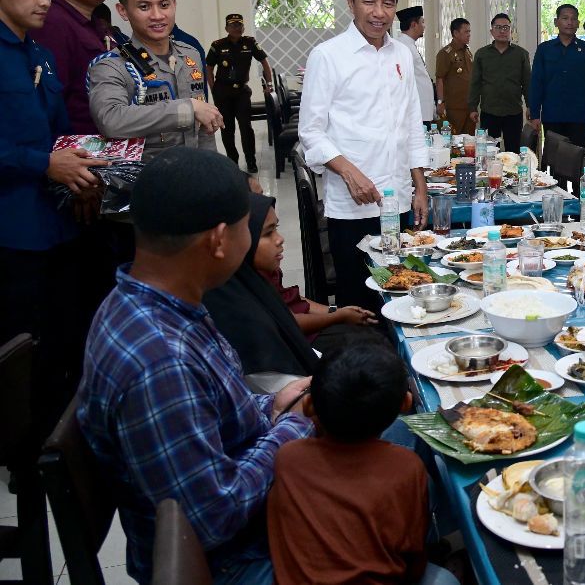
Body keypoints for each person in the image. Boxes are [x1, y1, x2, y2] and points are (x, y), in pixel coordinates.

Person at [77, 148, 312, 584]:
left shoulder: (158, 300)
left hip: (238, 511)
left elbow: (221, 411)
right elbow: (212, 516)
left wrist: (274, 405)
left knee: (397, 435)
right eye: (248, 227)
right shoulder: (159, 361)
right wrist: (292, 425)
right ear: (219, 240)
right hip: (229, 562)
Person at [0, 0, 109, 436]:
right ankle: (26, 443)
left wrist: (85, 168)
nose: (46, 0)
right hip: (14, 227)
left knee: (68, 328)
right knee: (24, 337)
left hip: (61, 217)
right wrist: (44, 163)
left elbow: (63, 127)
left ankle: (65, 430)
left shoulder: (38, 52)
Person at [298, 0, 429, 311]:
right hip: (353, 204)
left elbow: (412, 122)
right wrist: (348, 171)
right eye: (369, 1)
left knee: (402, 290)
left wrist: (420, 186)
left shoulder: (402, 52)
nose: (379, 12)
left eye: (388, 3)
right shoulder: (328, 56)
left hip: (397, 199)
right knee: (360, 299)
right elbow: (310, 131)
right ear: (351, 2)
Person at [268, 343, 455, 585]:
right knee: (446, 580)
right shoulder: (405, 468)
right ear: (406, 404)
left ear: (309, 405)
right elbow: (412, 556)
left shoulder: (287, 456)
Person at [204, 193, 378, 382]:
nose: (280, 239)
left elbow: (295, 300)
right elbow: (289, 323)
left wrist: (336, 311)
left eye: (276, 229)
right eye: (267, 233)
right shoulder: (242, 310)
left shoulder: (259, 279)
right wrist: (337, 316)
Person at [87, 0, 222, 157]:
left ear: (174, 4)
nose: (157, 16)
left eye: (164, 5)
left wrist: (212, 169)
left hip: (194, 175)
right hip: (148, 180)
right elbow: (111, 120)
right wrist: (187, 109)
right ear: (123, 11)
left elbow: (205, 129)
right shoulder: (112, 66)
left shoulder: (190, 55)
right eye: (144, 7)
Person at [30, 0, 114, 134]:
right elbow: (53, 98)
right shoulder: (52, 23)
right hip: (75, 144)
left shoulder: (97, 24)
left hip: (105, 139)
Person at [528, 3, 585, 150]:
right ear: (556, 22)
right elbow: (537, 83)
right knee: (554, 161)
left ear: (578, 23)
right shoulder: (544, 49)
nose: (570, 22)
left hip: (580, 116)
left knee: (578, 160)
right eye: (565, 18)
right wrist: (535, 114)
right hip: (552, 115)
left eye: (574, 19)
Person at [207, 13, 273, 172]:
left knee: (246, 127)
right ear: (226, 28)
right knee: (227, 129)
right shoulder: (217, 45)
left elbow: (264, 62)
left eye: (239, 25)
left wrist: (269, 83)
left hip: (242, 92)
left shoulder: (250, 43)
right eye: (233, 25)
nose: (237, 28)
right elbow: (209, 67)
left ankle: (251, 161)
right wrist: (213, 89)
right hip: (223, 92)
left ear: (243, 27)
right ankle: (232, 162)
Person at [468, 12, 531, 152]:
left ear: (510, 31)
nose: (502, 31)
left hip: (513, 111)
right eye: (498, 27)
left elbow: (527, 82)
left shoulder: (521, 54)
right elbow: (475, 82)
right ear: (491, 31)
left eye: (506, 27)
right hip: (489, 110)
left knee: (513, 151)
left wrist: (530, 105)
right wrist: (472, 107)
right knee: (489, 150)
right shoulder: (482, 54)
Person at [396, 5, 436, 126]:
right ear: (414, 25)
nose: (424, 26)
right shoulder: (403, 47)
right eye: (422, 22)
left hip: (422, 109)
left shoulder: (409, 45)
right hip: (414, 111)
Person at [436, 17, 474, 135]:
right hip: (454, 108)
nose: (469, 34)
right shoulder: (446, 53)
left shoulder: (467, 52)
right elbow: (440, 78)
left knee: (469, 141)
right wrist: (440, 102)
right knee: (454, 142)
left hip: (469, 107)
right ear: (456, 33)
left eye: (469, 31)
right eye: (466, 32)